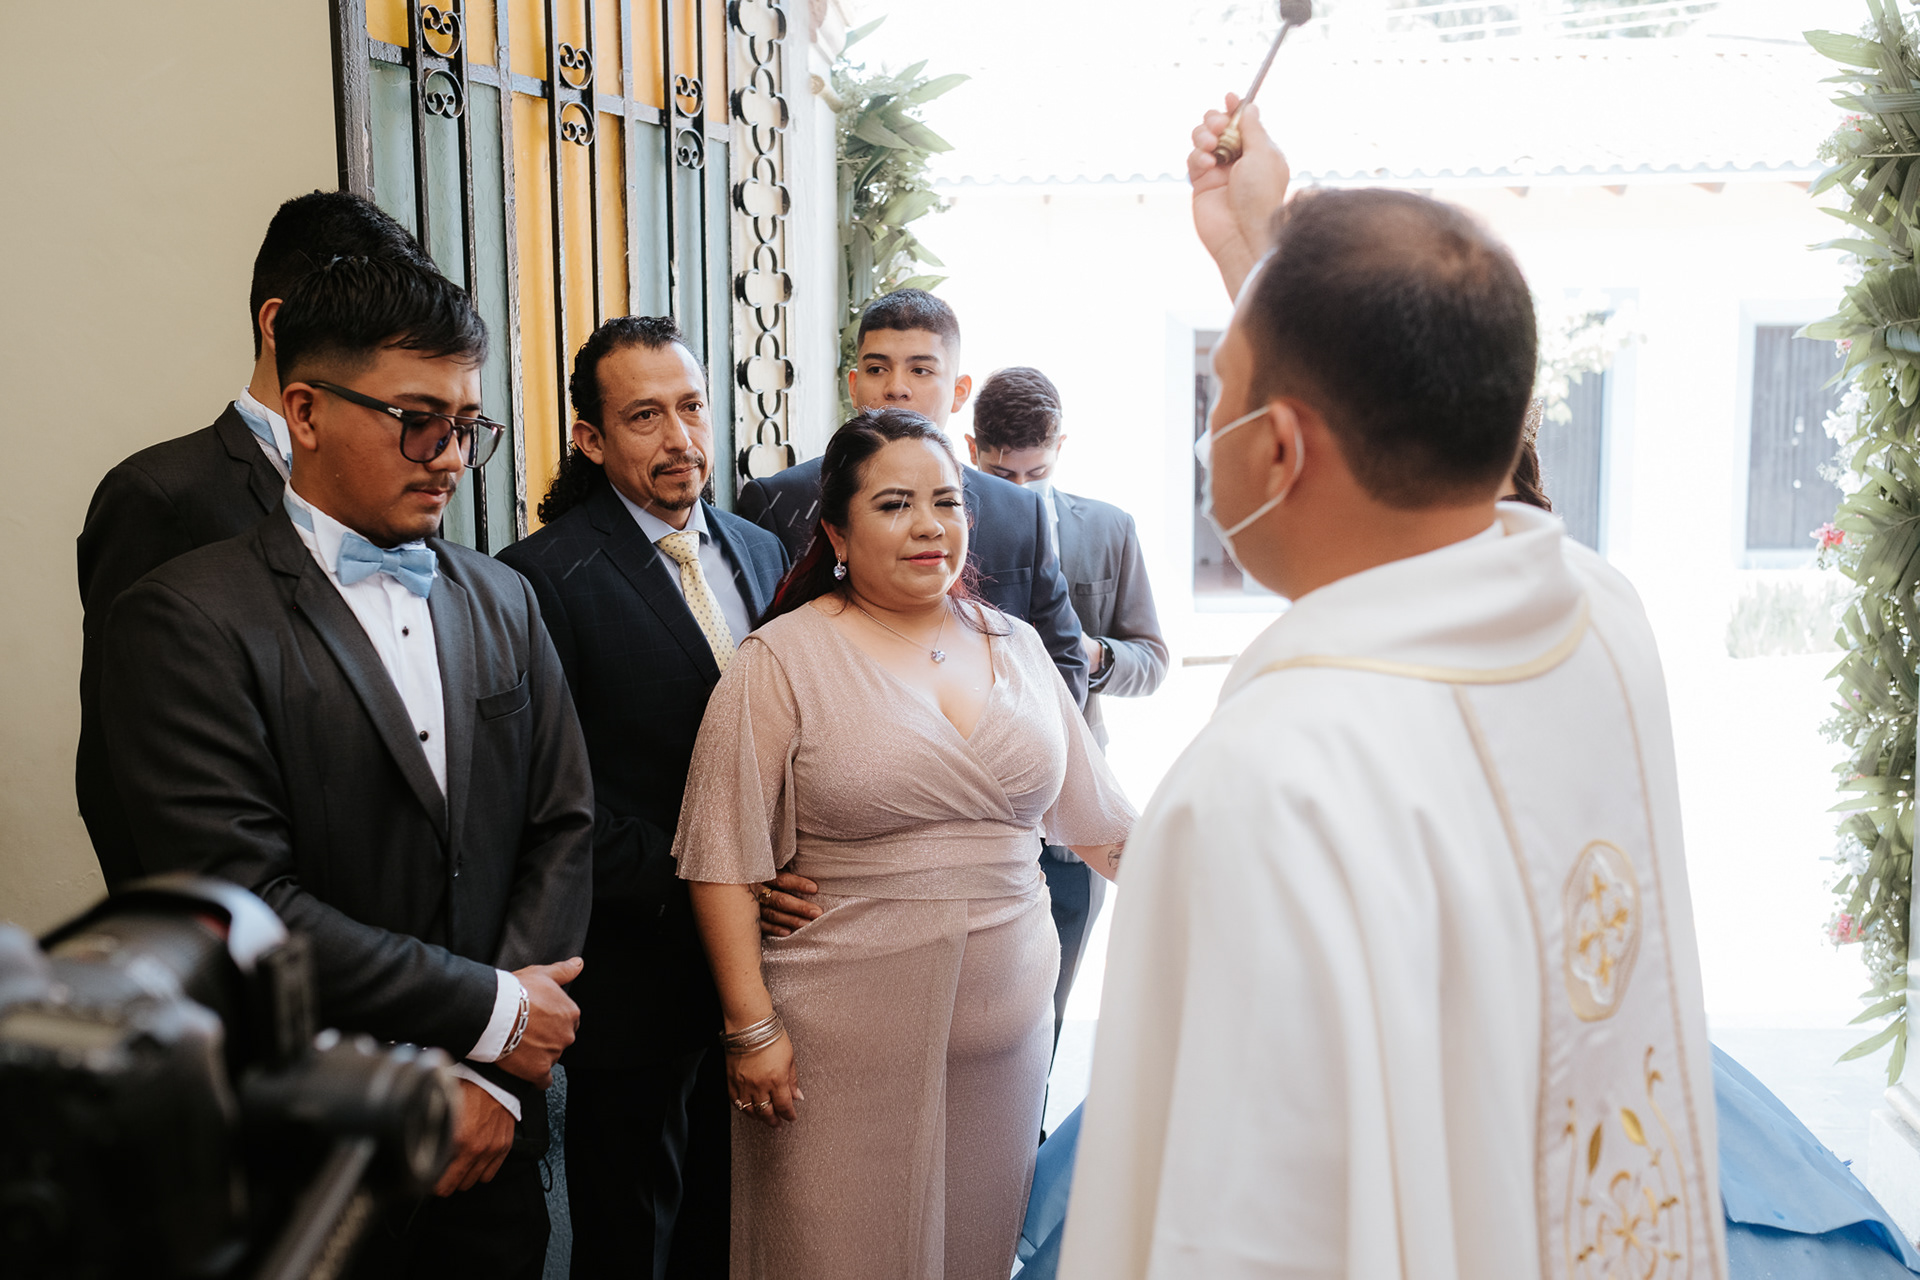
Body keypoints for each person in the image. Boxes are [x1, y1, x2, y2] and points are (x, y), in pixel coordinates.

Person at [1054, 101, 1725, 1276]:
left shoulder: (1274, 782)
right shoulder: (1600, 620)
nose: (1212, 434)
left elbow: (1247, 1231)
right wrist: (1262, 255)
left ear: (1281, 447)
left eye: (1221, 393)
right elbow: (1410, 404)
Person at [100, 256, 593, 1279]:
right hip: (307, 1147)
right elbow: (245, 901)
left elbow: (560, 826)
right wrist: (494, 1013)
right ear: (306, 411)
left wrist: (495, 1078)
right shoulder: (185, 620)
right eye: (418, 420)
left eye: (468, 425)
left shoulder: (504, 598)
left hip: (492, 1143)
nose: (449, 457)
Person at [673, 408, 1135, 1280]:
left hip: (1006, 1034)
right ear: (837, 533)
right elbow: (721, 860)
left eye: (946, 502)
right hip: (834, 1037)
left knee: (973, 1252)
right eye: (894, 505)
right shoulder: (781, 660)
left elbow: (1104, 824)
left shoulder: (1018, 646)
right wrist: (750, 1027)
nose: (929, 525)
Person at [497, 315, 788, 1279]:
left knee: (732, 1227)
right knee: (630, 1241)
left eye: (692, 408)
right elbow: (550, 800)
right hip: (636, 971)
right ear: (591, 438)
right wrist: (714, 887)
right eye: (645, 417)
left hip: (770, 967)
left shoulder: (759, 549)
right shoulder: (539, 579)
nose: (680, 439)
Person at [76, 190, 430, 888]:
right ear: (278, 323)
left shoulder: (408, 470)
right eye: (367, 327)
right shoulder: (161, 495)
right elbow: (118, 769)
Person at [744, 289, 1089, 941]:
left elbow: (1061, 656)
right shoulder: (778, 502)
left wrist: (1030, 768)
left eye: (920, 369)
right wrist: (764, 860)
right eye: (878, 368)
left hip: (1008, 848)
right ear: (853, 384)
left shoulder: (1017, 512)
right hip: (845, 867)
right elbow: (757, 691)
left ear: (958, 391)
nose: (896, 387)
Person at [968, 365, 1168, 1044]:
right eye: (1002, 473)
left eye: (1036, 473)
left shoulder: (1111, 528)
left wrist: (1092, 654)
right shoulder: (947, 526)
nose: (1019, 489)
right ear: (971, 450)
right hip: (977, 803)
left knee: (1049, 1011)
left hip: (1076, 801)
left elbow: (1152, 661)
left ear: (1061, 449)